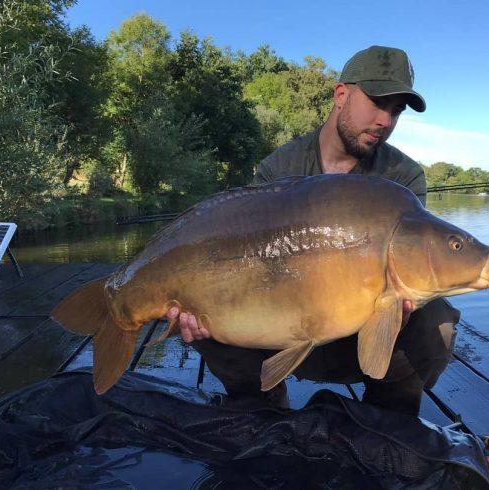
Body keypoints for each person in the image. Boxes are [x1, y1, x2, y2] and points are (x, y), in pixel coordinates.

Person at [166, 45, 460, 415]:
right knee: (203, 312)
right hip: (275, 332)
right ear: (341, 95)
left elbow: (415, 266)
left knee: (437, 323)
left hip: (357, 340)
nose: (385, 120)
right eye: (377, 102)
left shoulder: (403, 177)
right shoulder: (280, 167)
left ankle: (386, 419)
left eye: (396, 110)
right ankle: (262, 403)